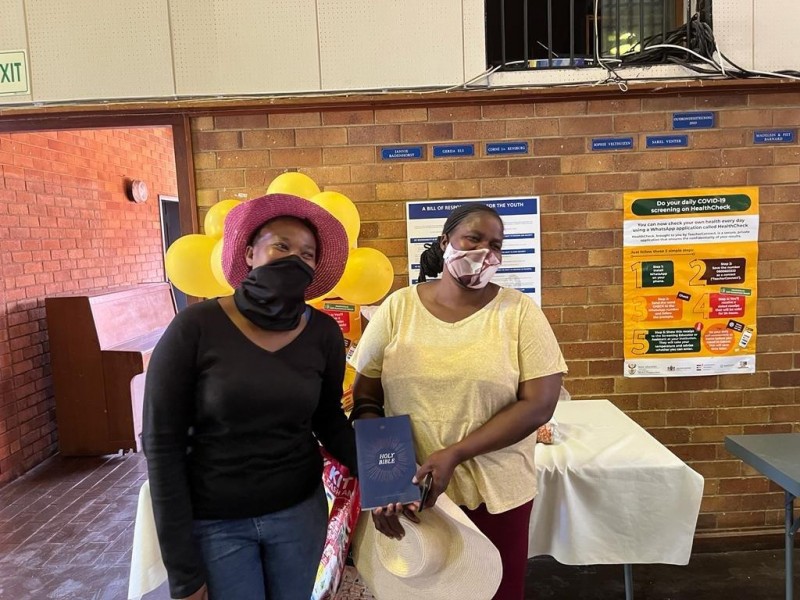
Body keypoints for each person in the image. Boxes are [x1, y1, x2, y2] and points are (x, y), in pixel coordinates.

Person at [142, 193, 358, 600]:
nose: (294, 259)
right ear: (249, 253)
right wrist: (183, 572)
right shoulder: (195, 328)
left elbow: (329, 420)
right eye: (281, 246)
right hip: (216, 524)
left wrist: (390, 476)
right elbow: (161, 445)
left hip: (299, 515)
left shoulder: (324, 334)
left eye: (307, 254)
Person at [349, 203, 567, 600]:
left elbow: (539, 403)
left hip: (495, 495)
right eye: (474, 239)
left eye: (495, 245)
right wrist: (386, 478)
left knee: (496, 591)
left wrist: (455, 453)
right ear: (444, 242)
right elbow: (366, 398)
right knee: (418, 592)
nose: (485, 252)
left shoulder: (518, 313)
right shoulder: (399, 308)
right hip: (411, 493)